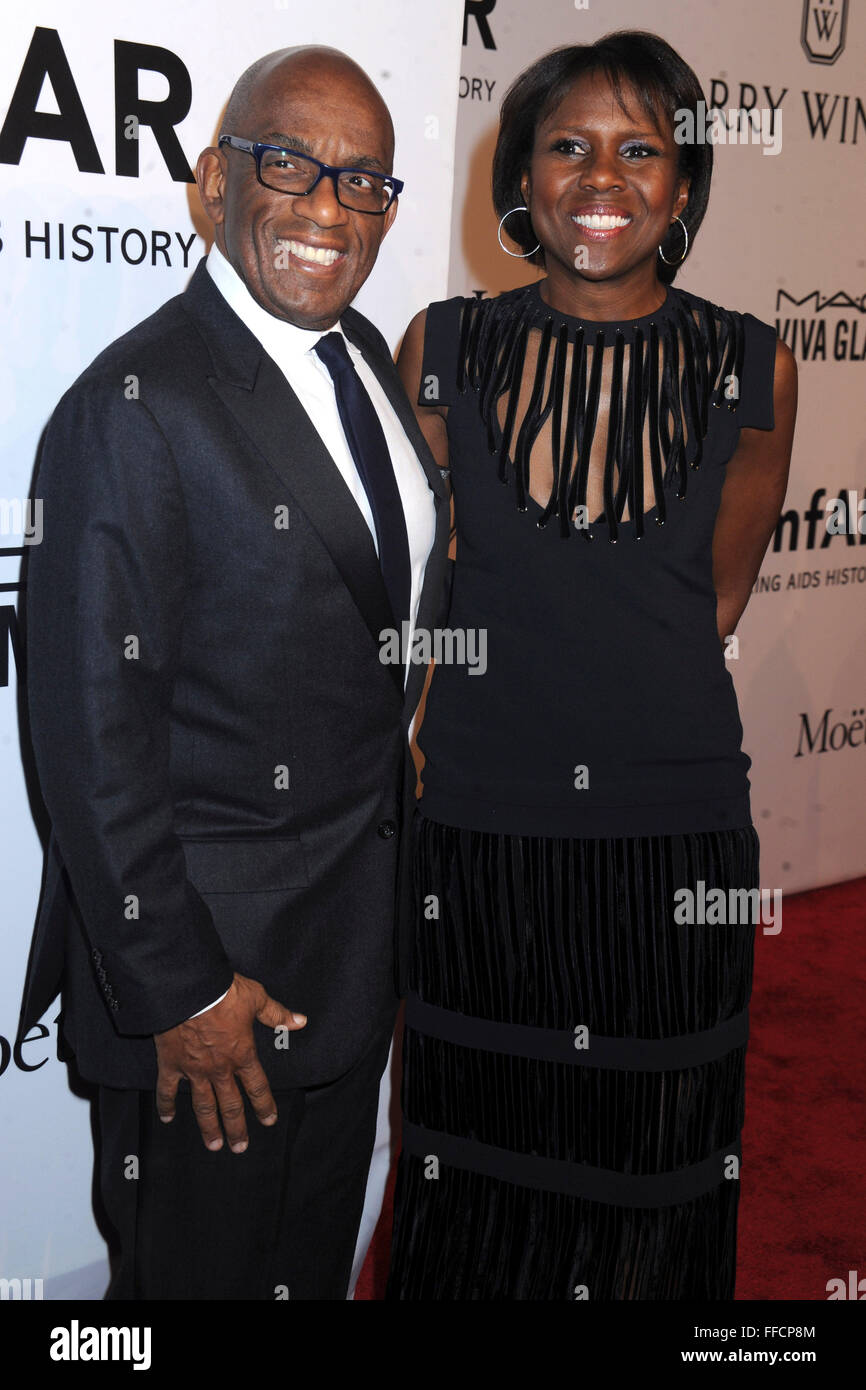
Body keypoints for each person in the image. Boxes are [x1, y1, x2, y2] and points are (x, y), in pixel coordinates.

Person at [19, 44, 450, 1301]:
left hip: (346, 959)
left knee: (307, 1269)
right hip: (216, 1003)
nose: (328, 207)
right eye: (289, 165)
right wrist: (182, 990)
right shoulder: (132, 406)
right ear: (213, 183)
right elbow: (88, 734)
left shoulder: (365, 358)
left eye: (364, 181)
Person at [386, 30, 797, 1300]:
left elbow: (712, 594)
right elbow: (424, 578)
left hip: (669, 843)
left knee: (654, 1174)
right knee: (472, 1170)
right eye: (566, 145)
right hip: (475, 828)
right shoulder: (440, 349)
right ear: (520, 175)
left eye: (639, 148)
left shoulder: (751, 367)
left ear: (682, 186)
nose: (599, 176)